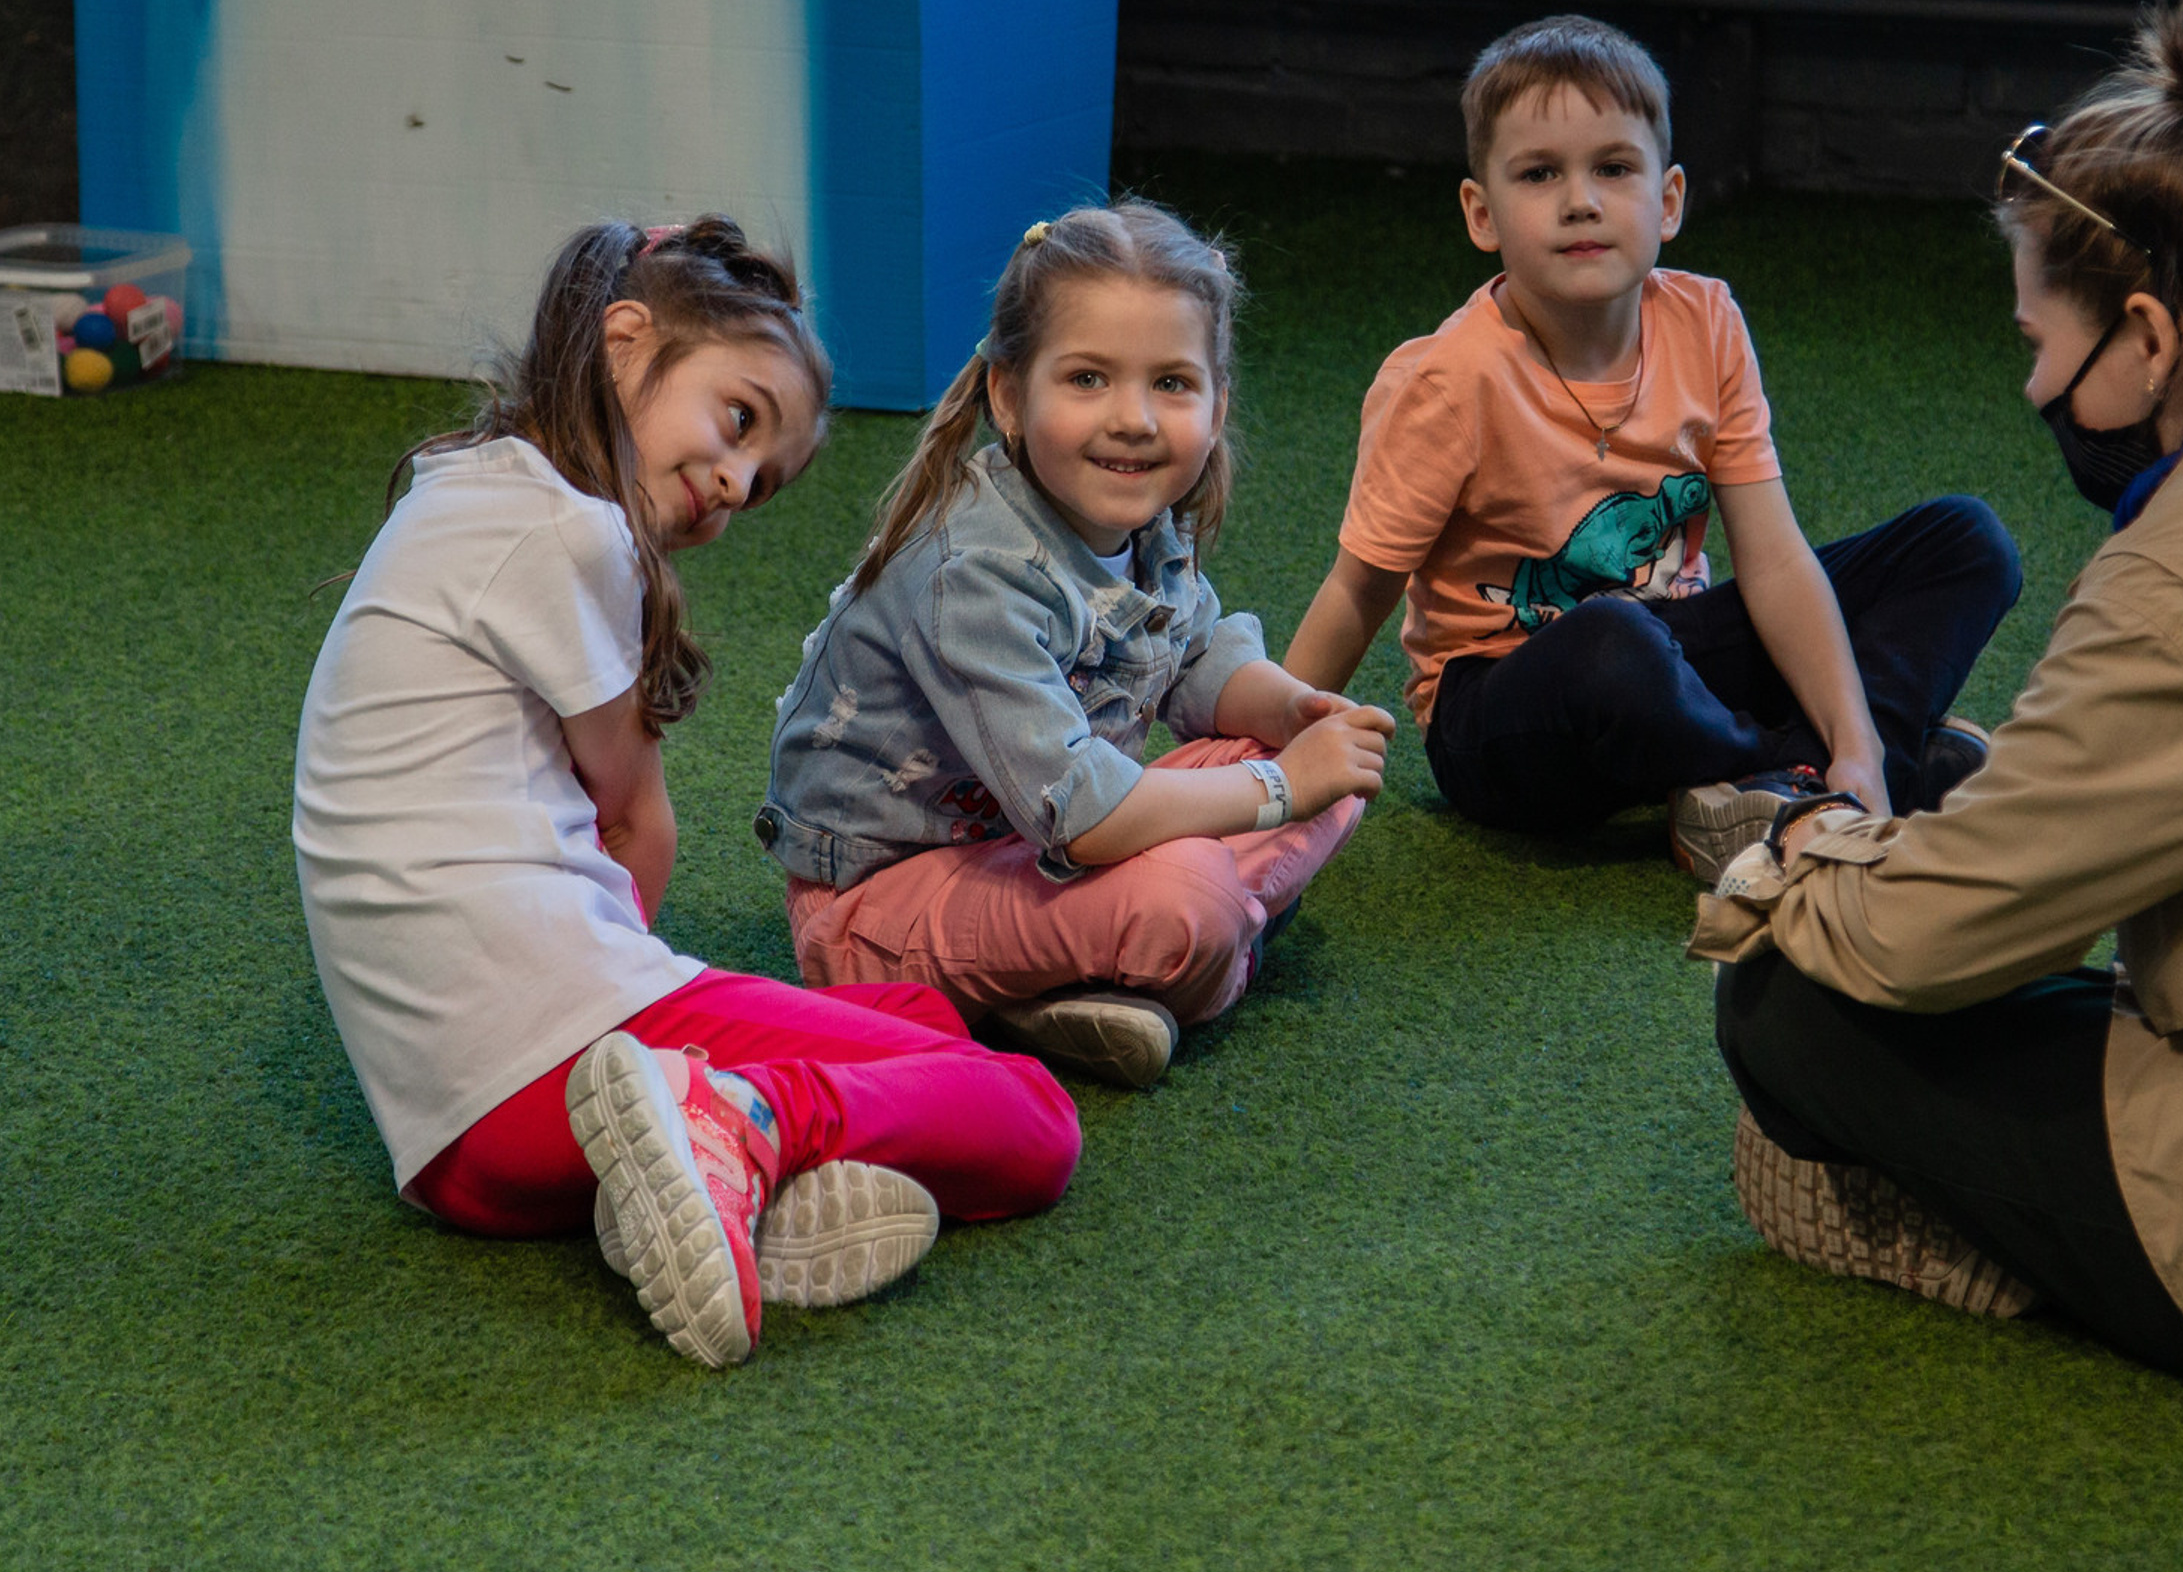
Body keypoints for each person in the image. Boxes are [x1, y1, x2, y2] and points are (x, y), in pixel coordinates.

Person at [1696, 0, 2183, 1411]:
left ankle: (1999, 1250)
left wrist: (1785, 860)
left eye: (2042, 342)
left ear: (2147, 336)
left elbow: (1924, 939)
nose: (2034, 382)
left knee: (1790, 1006)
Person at [294, 217, 1081, 1374]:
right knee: (1024, 1112)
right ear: (627, 342)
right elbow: (633, 828)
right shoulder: (570, 533)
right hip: (551, 1050)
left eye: (760, 482)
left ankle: (722, 1177)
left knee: (915, 1020)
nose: (734, 481)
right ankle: (753, 1126)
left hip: (456, 1152)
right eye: (739, 418)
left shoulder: (470, 485)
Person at [1285, 15, 2020, 875]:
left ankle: (1856, 775)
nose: (1580, 199)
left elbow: (1775, 559)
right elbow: (1359, 590)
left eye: (1613, 168)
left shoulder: (1705, 322)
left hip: (1673, 653)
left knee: (1966, 543)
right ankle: (1779, 774)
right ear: (1481, 214)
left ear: (1667, 201)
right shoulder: (1445, 381)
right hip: (1502, 713)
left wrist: (1858, 736)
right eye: (1539, 173)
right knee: (1613, 642)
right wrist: (1266, 757)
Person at [759, 200, 1393, 1093]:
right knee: (1200, 890)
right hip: (884, 903)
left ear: (1217, 405)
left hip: (1041, 845)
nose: (1133, 418)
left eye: (1172, 383)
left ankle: (1070, 990)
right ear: (1009, 396)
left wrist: (1289, 712)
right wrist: (1279, 787)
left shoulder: (1141, 517)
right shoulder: (970, 573)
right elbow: (1086, 819)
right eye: (1088, 378)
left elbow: (1197, 656)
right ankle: (1195, 953)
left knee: (1334, 773)